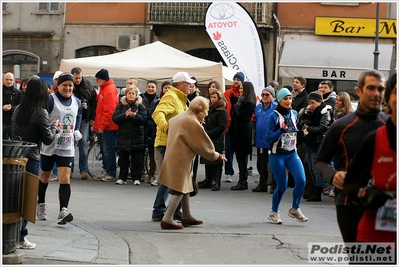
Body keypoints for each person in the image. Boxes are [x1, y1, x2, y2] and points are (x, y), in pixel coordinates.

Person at [314, 69, 388, 243]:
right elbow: (320, 161)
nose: (376, 93)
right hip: (348, 202)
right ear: (359, 91)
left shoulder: (391, 126)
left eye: (380, 89)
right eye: (371, 88)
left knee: (385, 258)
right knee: (360, 257)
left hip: (385, 204)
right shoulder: (341, 126)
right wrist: (333, 175)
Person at [343, 72, 396, 245]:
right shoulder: (375, 139)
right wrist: (367, 194)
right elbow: (350, 184)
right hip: (375, 234)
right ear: (388, 98)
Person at [159, 96, 227, 229]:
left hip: (175, 155)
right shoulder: (192, 122)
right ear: (199, 111)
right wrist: (217, 156)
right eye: (206, 111)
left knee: (185, 186)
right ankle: (167, 219)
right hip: (181, 158)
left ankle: (187, 216)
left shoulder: (181, 116)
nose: (207, 114)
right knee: (179, 188)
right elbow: (202, 145)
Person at [12, 77, 60, 249]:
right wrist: (55, 128)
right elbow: (48, 139)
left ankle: (11, 234)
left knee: (14, 197)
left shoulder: (18, 109)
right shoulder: (40, 112)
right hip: (31, 158)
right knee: (28, 198)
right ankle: (21, 236)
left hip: (15, 157)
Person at [37, 72, 82, 225]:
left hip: (66, 145)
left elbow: (79, 116)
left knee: (65, 178)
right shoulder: (50, 100)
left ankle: (63, 210)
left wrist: (76, 129)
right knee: (45, 176)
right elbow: (42, 117)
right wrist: (50, 128)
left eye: (70, 85)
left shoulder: (76, 101)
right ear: (58, 86)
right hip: (49, 144)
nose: (68, 88)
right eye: (65, 85)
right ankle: (41, 204)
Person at [151, 71, 194, 221]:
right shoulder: (171, 96)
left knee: (172, 178)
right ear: (181, 84)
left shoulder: (180, 98)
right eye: (188, 83)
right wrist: (167, 128)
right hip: (167, 142)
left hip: (174, 142)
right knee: (171, 178)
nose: (190, 86)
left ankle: (169, 210)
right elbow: (157, 113)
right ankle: (161, 210)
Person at [265, 88, 308, 224]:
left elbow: (295, 131)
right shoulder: (273, 116)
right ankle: (274, 212)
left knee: (301, 181)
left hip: (292, 153)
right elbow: (267, 137)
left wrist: (301, 132)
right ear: (279, 100)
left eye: (290, 98)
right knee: (282, 186)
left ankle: (295, 208)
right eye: (285, 99)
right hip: (277, 155)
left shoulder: (295, 113)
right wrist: (280, 131)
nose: (288, 101)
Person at [298, 91, 332, 202]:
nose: (311, 105)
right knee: (311, 169)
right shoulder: (309, 111)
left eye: (313, 103)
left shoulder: (324, 111)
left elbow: (322, 127)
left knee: (316, 169)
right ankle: (312, 190)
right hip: (309, 142)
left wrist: (308, 128)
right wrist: (305, 113)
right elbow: (301, 121)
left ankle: (317, 193)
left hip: (319, 142)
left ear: (319, 102)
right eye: (310, 103)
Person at [113, 86, 147, 185]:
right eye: (129, 93)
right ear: (126, 94)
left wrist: (135, 116)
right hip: (124, 136)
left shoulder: (141, 106)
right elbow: (115, 118)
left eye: (133, 93)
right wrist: (125, 115)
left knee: (136, 159)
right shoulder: (121, 106)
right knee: (123, 158)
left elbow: (144, 120)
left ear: (136, 95)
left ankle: (136, 178)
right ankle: (122, 177)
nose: (131, 95)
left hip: (137, 136)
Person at [92, 69, 119, 182]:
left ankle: (111, 172)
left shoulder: (108, 90)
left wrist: (102, 126)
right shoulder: (106, 89)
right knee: (105, 150)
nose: (96, 81)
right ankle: (107, 170)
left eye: (98, 79)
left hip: (108, 127)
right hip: (105, 126)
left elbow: (109, 111)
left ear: (102, 79)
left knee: (108, 150)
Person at [229, 81, 257, 190]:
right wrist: (234, 104)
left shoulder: (249, 103)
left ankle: (243, 181)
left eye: (241, 89)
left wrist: (234, 104)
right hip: (237, 129)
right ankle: (241, 180)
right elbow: (232, 114)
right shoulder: (241, 101)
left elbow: (240, 116)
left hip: (243, 130)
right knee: (239, 156)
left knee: (242, 156)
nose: (239, 90)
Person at [71, 67, 98, 179]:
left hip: (84, 118)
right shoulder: (68, 84)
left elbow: (93, 101)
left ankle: (83, 169)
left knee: (83, 143)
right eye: (76, 78)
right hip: (72, 118)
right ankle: (70, 169)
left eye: (79, 77)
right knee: (70, 143)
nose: (77, 80)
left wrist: (92, 117)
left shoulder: (87, 85)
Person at [198, 88, 227, 191]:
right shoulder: (209, 109)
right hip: (207, 137)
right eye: (211, 97)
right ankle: (208, 180)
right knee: (207, 157)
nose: (212, 99)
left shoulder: (222, 111)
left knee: (216, 159)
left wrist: (208, 133)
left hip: (216, 138)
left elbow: (221, 126)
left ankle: (216, 181)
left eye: (215, 97)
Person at [252, 86, 277, 192]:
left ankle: (273, 185)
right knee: (261, 164)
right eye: (263, 94)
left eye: (267, 94)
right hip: (260, 140)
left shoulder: (276, 108)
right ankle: (262, 184)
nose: (265, 97)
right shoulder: (258, 107)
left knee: (272, 164)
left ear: (272, 96)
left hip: (272, 141)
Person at [223, 71, 245, 183]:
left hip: (240, 125)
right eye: (235, 79)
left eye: (238, 80)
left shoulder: (244, 94)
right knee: (228, 150)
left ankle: (243, 174)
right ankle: (228, 173)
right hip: (230, 124)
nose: (236, 81)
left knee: (241, 150)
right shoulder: (227, 93)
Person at [139, 80, 159, 183]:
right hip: (142, 126)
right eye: (149, 87)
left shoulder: (159, 99)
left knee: (152, 153)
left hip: (153, 127)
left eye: (153, 87)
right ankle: (142, 173)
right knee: (141, 151)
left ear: (156, 89)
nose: (150, 89)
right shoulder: (140, 97)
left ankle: (152, 174)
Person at [151, 80, 170, 187]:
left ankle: (166, 179)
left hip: (169, 134)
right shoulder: (158, 101)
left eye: (169, 88)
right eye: (165, 88)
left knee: (167, 160)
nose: (167, 90)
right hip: (159, 133)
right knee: (158, 159)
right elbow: (155, 115)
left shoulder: (173, 100)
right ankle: (158, 178)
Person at [3, 72, 23, 140]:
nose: (9, 81)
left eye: (11, 80)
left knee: (13, 143)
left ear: (13, 81)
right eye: (7, 79)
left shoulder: (19, 93)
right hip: (2, 121)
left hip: (13, 123)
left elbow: (20, 107)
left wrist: (11, 108)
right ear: (3, 80)